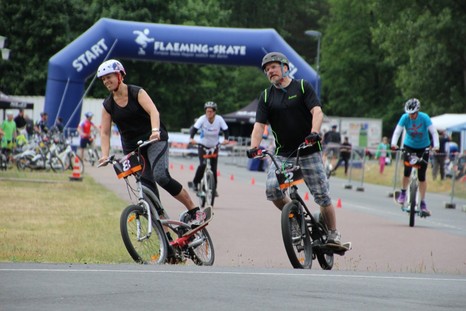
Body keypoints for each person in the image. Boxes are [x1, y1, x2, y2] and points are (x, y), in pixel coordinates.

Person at [246, 51, 342, 245]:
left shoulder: (302, 87)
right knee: (273, 190)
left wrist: (314, 132)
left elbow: (317, 111)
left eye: (273, 67)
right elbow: (259, 125)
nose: (269, 71)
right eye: (266, 69)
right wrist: (254, 146)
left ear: (285, 68)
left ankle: (333, 233)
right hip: (283, 155)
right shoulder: (266, 96)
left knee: (322, 196)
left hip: (309, 151)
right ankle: (295, 217)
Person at [96, 59, 205, 227]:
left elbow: (153, 111)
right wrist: (104, 155)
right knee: (147, 191)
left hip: (154, 139)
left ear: (120, 75)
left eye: (109, 77)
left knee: (161, 176)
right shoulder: (108, 105)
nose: (106, 82)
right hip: (133, 149)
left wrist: (155, 131)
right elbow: (105, 132)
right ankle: (166, 239)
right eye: (103, 79)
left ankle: (194, 210)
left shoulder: (136, 92)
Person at [391, 98, 439, 216]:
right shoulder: (405, 118)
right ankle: (403, 193)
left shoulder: (424, 117)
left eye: (413, 114)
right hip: (409, 146)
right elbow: (397, 131)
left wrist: (436, 145)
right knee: (407, 171)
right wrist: (393, 143)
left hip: (424, 148)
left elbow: (433, 132)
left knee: (421, 176)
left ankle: (422, 202)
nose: (411, 116)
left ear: (417, 112)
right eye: (409, 114)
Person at [189, 101, 230, 196]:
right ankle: (195, 182)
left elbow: (226, 130)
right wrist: (191, 138)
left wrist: (226, 139)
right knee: (202, 165)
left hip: (214, 146)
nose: (208, 113)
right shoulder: (202, 119)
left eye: (211, 111)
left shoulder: (219, 119)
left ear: (214, 112)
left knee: (214, 169)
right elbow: (194, 129)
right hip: (202, 145)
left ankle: (214, 188)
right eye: (207, 111)